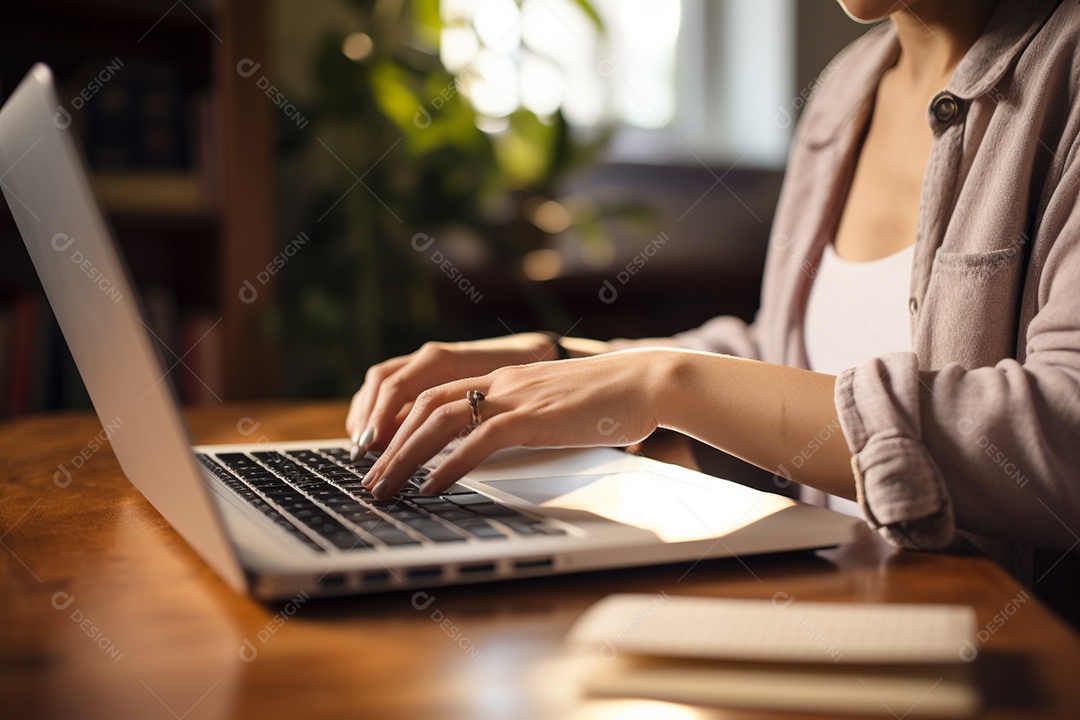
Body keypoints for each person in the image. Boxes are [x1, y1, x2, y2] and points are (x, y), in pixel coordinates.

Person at [346, 0, 1080, 621]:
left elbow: (1062, 432)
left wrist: (663, 384)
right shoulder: (849, 85)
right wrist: (565, 363)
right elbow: (798, 366)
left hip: (1000, 655)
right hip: (832, 609)